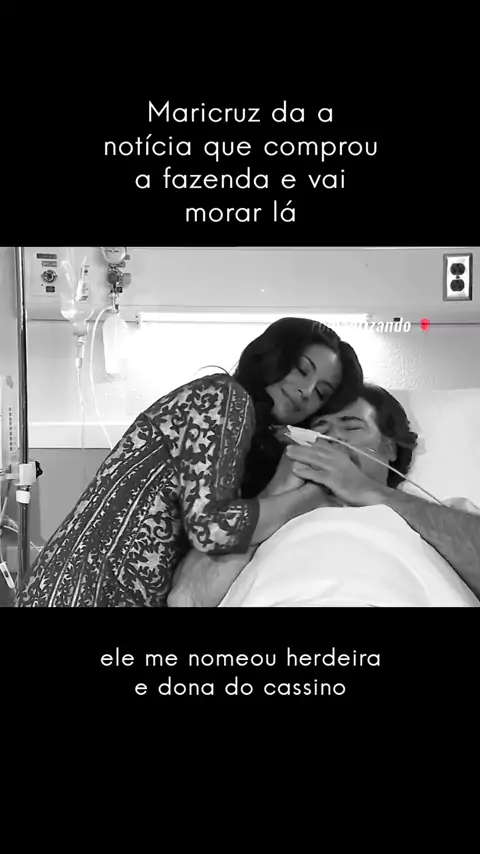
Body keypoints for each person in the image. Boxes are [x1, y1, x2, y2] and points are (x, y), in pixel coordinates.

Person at [16, 318, 363, 607]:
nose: (306, 391)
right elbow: (212, 528)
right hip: (86, 589)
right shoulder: (224, 397)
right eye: (302, 371)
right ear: (274, 356)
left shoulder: (249, 438)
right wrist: (312, 498)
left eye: (321, 392)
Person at [169, 384, 480, 607]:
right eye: (320, 428)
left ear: (389, 447)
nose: (331, 438)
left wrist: (370, 491)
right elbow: (187, 599)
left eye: (352, 427)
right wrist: (279, 491)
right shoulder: (262, 517)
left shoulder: (443, 515)